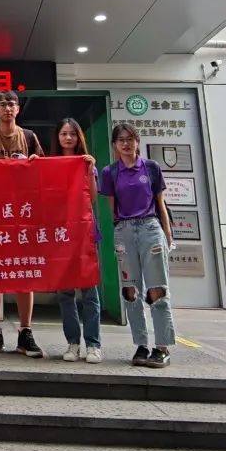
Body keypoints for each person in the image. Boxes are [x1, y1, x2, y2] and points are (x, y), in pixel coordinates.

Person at [99, 122, 176, 368]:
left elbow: (160, 204)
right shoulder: (110, 172)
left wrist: (168, 235)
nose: (126, 143)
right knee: (130, 291)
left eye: (130, 139)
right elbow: (112, 209)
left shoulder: (151, 168)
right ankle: (141, 345)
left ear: (137, 142)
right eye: (121, 140)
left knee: (157, 289)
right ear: (114, 145)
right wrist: (118, 234)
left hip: (150, 228)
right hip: (124, 230)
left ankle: (162, 346)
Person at [0, 90, 45, 358]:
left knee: (24, 272)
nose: (7, 108)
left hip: (22, 215)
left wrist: (37, 164)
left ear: (18, 109)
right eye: (2, 104)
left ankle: (26, 332)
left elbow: (44, 174)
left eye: (11, 104)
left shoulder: (29, 137)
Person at [50, 117, 103, 364]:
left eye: (72, 133)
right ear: (58, 138)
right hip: (61, 233)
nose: (68, 138)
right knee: (65, 293)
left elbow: (92, 196)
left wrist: (90, 170)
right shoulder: (51, 164)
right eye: (64, 133)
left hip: (85, 232)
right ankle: (72, 343)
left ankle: (93, 344)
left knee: (90, 291)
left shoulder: (86, 162)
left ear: (79, 137)